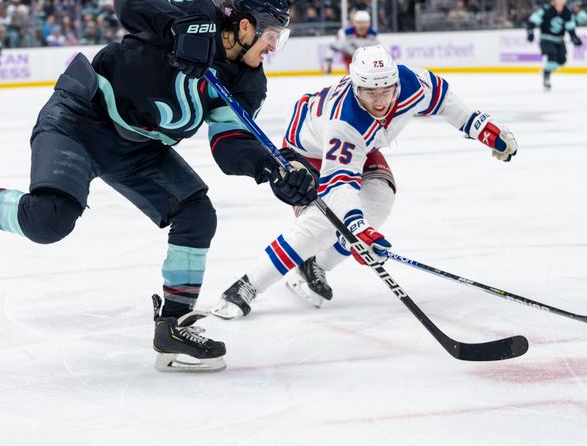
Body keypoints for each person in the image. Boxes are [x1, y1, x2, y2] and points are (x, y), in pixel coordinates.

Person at [0, 0, 317, 372]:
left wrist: (270, 166)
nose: (273, 47)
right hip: (80, 118)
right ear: (246, 25)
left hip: (139, 149)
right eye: (272, 34)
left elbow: (230, 143)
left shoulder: (248, 80)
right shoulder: (197, 7)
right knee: (50, 220)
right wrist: (177, 27)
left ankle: (173, 325)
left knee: (196, 214)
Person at [211, 45, 518, 319]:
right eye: (370, 92)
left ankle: (314, 266)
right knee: (322, 224)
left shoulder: (411, 83)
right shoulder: (344, 121)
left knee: (380, 201)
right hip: (307, 154)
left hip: (363, 146)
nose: (380, 100)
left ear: (395, 82)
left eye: (385, 90)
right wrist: (358, 230)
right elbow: (339, 185)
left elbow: (443, 98)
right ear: (357, 88)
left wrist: (481, 127)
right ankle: (247, 285)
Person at [526, 0, 583, 91]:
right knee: (552, 55)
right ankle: (547, 78)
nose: (560, 0)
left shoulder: (567, 13)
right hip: (546, 39)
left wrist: (574, 37)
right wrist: (530, 33)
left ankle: (546, 72)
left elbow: (570, 28)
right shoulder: (546, 10)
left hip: (559, 40)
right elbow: (532, 22)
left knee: (562, 60)